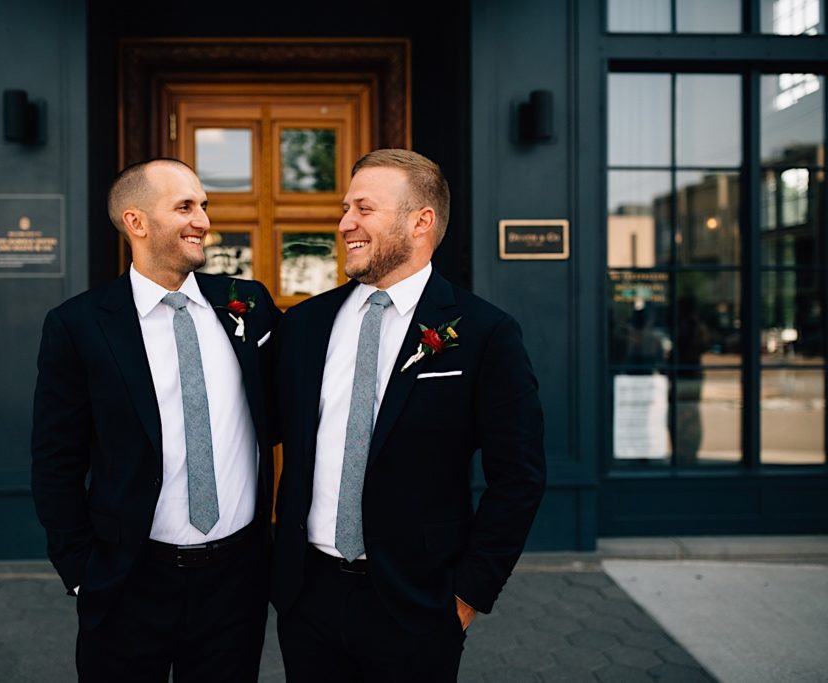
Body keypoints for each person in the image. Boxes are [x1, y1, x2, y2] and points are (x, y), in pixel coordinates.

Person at [271, 149, 547, 682]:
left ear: (420, 221)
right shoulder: (305, 325)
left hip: (419, 603)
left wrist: (469, 595)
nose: (345, 222)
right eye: (345, 208)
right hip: (309, 597)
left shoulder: (484, 333)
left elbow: (520, 477)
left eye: (364, 209)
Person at [30, 158, 281, 682]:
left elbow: (290, 408)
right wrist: (80, 572)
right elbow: (56, 458)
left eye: (204, 206)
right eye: (185, 206)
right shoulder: (79, 326)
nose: (204, 221)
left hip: (235, 583)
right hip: (128, 581)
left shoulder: (247, 304)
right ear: (136, 222)